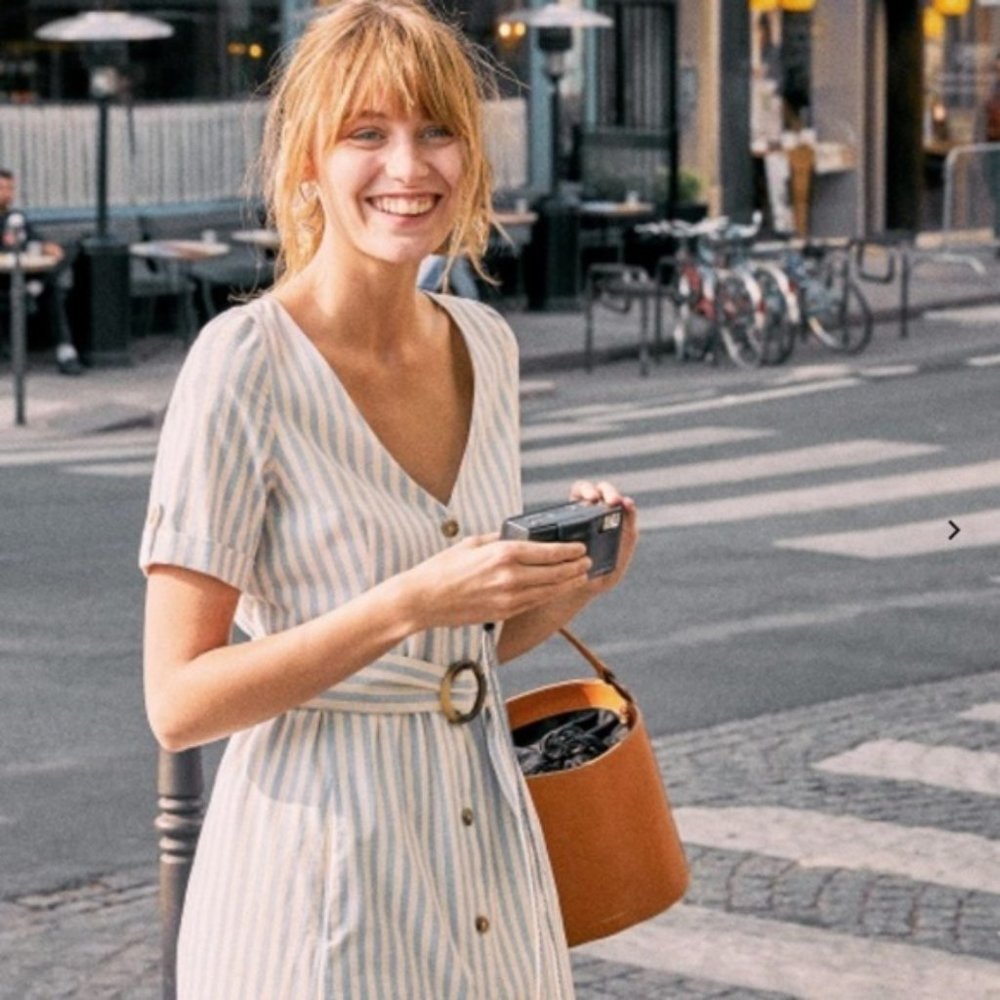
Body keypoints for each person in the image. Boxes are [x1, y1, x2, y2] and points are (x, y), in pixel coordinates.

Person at [139, 2, 638, 997]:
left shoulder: (484, 345)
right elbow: (179, 701)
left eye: (437, 130)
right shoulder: (245, 364)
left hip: (486, 858)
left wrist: (568, 581)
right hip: (318, 882)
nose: (409, 168)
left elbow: (454, 651)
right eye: (366, 134)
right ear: (309, 162)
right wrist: (409, 599)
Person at [0, 168, 82, 374]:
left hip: (26, 273)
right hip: (3, 280)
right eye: (2, 188)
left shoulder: (17, 217)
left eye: (10, 188)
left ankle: (65, 350)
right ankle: (34, 289)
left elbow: (33, 240)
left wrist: (47, 246)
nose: (7, 193)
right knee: (52, 289)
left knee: (72, 247)